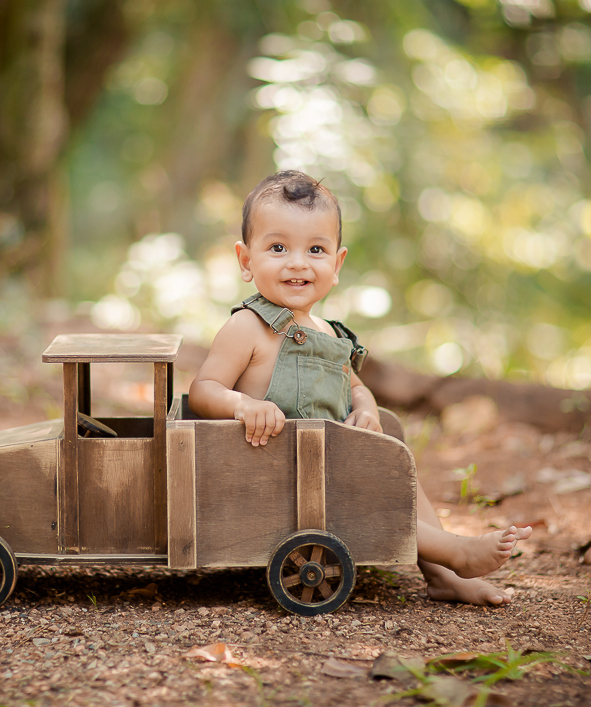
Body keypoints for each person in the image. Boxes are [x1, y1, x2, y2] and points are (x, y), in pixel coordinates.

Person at [188, 170, 530, 606]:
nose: (298, 262)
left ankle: (444, 577)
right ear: (245, 259)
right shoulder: (247, 327)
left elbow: (355, 385)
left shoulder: (330, 332)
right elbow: (203, 390)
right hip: (275, 472)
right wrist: (242, 404)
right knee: (370, 488)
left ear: (337, 264)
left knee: (394, 458)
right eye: (278, 247)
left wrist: (365, 408)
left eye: (315, 249)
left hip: (325, 461)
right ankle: (455, 553)